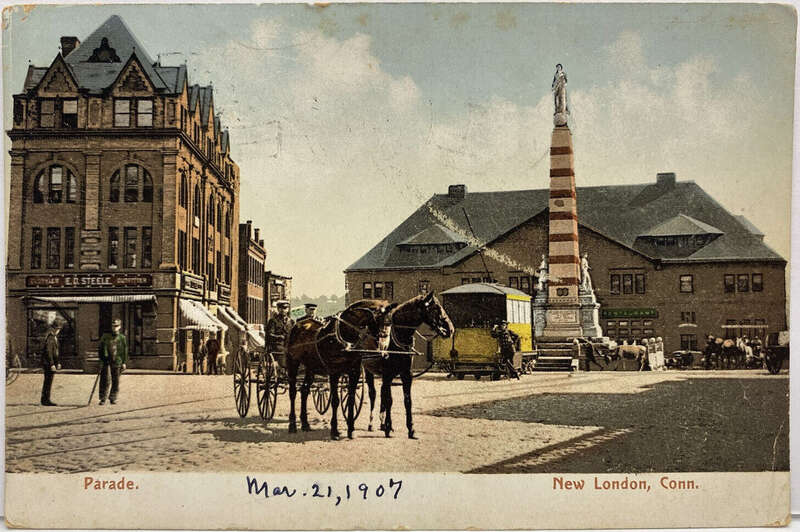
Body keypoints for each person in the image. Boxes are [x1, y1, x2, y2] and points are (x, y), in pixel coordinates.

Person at [98, 318, 127, 405]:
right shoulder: (105, 336)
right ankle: (103, 398)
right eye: (113, 326)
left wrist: (124, 362)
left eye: (116, 326)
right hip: (106, 360)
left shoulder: (122, 338)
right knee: (105, 379)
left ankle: (113, 398)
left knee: (116, 380)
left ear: (120, 327)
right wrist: (101, 360)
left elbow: (124, 351)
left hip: (117, 361)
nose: (114, 328)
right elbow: (100, 349)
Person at [40, 321, 63, 406]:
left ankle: (45, 399)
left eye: (59, 329)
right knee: (48, 382)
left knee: (49, 381)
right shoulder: (50, 338)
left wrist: (58, 363)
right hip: (48, 363)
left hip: (51, 363)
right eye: (57, 329)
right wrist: (52, 364)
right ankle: (45, 400)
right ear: (53, 329)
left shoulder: (54, 338)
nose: (58, 331)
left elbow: (56, 352)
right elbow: (48, 352)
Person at [266, 300, 295, 368]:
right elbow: (269, 334)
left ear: (288, 309)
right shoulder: (273, 321)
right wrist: (279, 337)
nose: (283, 310)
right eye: (281, 308)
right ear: (278, 309)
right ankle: (283, 367)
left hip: (289, 344)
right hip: (277, 344)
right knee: (283, 351)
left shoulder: (291, 321)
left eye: (285, 308)